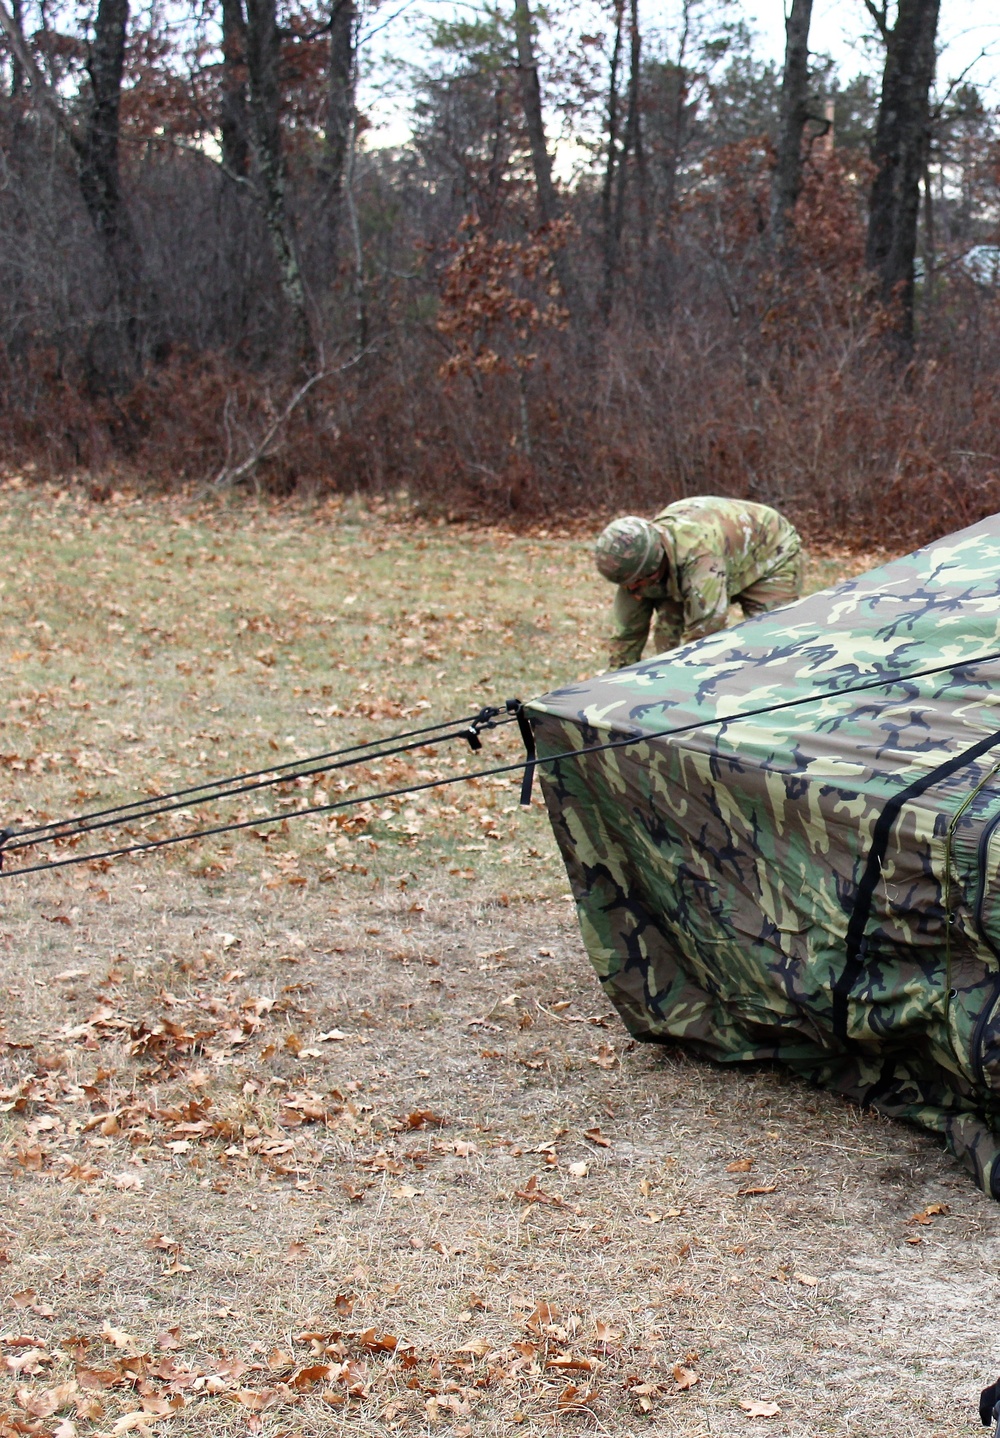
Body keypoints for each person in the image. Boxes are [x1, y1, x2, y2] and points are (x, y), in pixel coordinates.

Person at [594, 495, 803, 669]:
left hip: (769, 550)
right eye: (627, 584)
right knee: (668, 636)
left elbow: (706, 634)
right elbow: (627, 635)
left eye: (637, 583)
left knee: (771, 645)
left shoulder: (700, 560)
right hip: (714, 551)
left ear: (653, 569)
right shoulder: (638, 562)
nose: (632, 590)